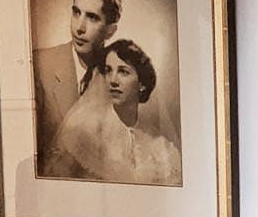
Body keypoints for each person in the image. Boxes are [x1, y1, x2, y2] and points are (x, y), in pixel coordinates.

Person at [49, 38, 182, 187]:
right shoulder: (82, 133)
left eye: (123, 72)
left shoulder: (158, 145)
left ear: (142, 84)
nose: (112, 80)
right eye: (108, 70)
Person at [32, 0, 121, 175]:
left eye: (92, 17)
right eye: (76, 13)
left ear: (110, 31)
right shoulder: (40, 65)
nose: (79, 28)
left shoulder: (119, 79)